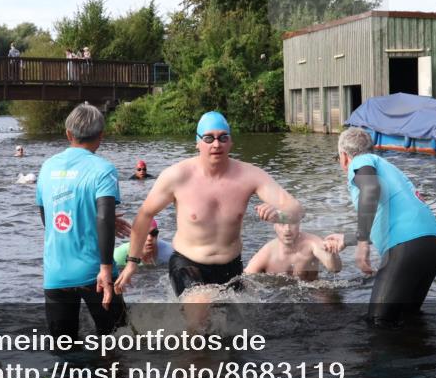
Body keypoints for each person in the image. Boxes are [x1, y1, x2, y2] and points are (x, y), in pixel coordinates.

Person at [114, 111, 303, 299]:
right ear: (197, 142)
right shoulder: (177, 176)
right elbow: (144, 215)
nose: (216, 144)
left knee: (233, 325)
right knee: (200, 307)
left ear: (230, 142)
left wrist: (280, 215)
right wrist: (132, 262)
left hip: (231, 266)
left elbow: (296, 209)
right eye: (208, 138)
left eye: (223, 138)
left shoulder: (250, 176)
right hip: (187, 264)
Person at [323, 127, 436, 326]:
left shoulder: (361, 161)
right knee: (407, 321)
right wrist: (348, 239)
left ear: (344, 157)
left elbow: (370, 188)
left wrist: (362, 243)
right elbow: (386, 220)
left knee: (378, 324)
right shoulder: (387, 168)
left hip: (408, 248)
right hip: (433, 247)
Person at [36, 103, 125, 340]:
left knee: (63, 349)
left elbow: (48, 217)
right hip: (95, 272)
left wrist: (85, 218)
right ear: (101, 136)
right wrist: (106, 268)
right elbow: (104, 215)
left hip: (56, 273)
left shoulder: (47, 167)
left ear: (68, 134)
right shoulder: (104, 169)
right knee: (116, 342)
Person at [245, 220, 341, 282]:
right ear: (274, 226)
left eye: (292, 222)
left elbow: (335, 269)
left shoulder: (312, 243)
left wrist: (332, 253)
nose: (287, 229)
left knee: (328, 302)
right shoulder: (266, 254)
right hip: (278, 297)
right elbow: (245, 280)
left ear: (299, 223)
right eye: (282, 223)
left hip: (313, 291)